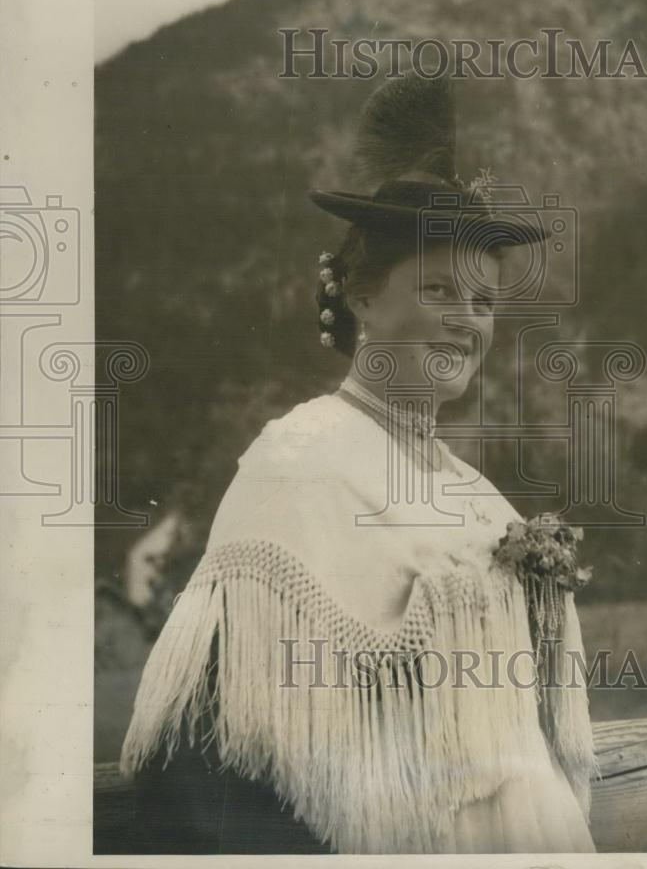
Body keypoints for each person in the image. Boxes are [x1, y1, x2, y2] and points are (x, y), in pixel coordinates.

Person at [119, 73, 599, 854]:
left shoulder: (483, 502)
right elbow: (205, 753)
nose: (464, 323)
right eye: (438, 288)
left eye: (483, 302)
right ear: (364, 298)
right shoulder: (298, 462)